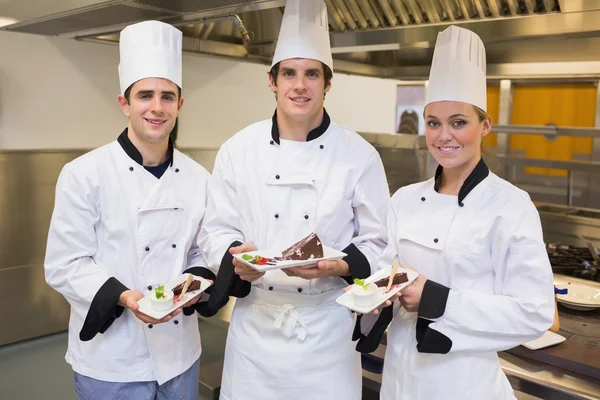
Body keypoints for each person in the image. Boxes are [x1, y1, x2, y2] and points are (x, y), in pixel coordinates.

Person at [198, 0, 390, 398]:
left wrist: (339, 265)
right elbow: (215, 230)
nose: (299, 85)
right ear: (272, 81)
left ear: (327, 83)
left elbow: (381, 242)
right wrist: (237, 257)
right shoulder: (238, 149)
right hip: (255, 331)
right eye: (289, 73)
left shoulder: (359, 155)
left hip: (328, 329)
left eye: (311, 74)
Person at [355, 25, 555, 399]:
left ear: (485, 126)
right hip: (400, 381)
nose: (443, 136)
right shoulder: (405, 199)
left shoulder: (510, 206)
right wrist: (370, 297)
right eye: (434, 123)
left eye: (458, 123)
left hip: (464, 385)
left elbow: (535, 313)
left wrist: (437, 299)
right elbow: (388, 272)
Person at [44, 20, 215, 400]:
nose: (157, 108)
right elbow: (64, 263)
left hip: (180, 355)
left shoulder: (199, 177)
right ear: (124, 103)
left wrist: (190, 285)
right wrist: (125, 297)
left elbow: (204, 251)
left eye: (167, 97)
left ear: (180, 105)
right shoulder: (84, 174)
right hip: (112, 361)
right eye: (145, 96)